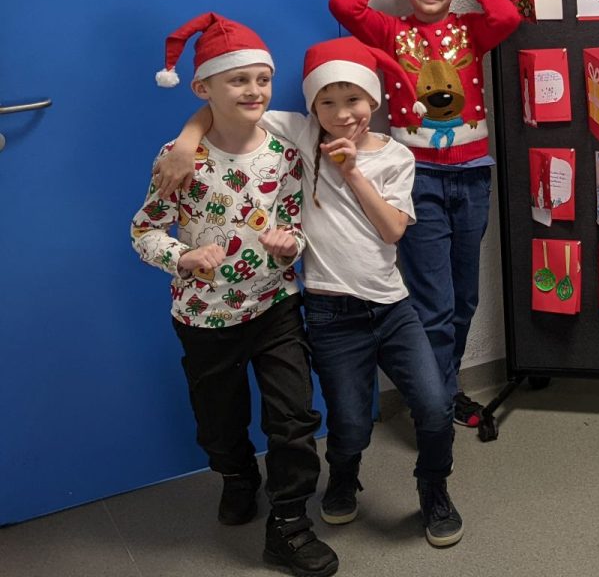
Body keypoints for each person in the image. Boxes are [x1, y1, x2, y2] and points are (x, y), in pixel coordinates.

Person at [155, 37, 464, 548]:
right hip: (329, 312)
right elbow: (224, 108)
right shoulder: (300, 132)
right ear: (312, 107)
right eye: (327, 102)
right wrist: (187, 142)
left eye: (354, 99)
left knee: (434, 407)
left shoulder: (396, 156)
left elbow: (392, 231)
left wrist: (351, 171)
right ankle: (343, 476)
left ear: (373, 100)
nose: (342, 114)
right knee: (350, 423)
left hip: (392, 307)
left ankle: (434, 487)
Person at [132, 13, 337, 577]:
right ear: (203, 88)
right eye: (238, 80)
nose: (254, 90)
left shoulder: (284, 152)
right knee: (219, 421)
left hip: (275, 307)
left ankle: (289, 523)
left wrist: (290, 245)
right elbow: (144, 231)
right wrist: (182, 257)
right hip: (205, 317)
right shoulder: (180, 157)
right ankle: (238, 475)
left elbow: (294, 225)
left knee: (294, 418)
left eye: (262, 79)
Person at [330, 0, 521, 428]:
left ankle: (445, 388)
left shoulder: (471, 30)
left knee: (464, 297)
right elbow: (344, 5)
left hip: (473, 177)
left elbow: (507, 16)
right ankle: (435, 406)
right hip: (418, 180)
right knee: (433, 300)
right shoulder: (391, 31)